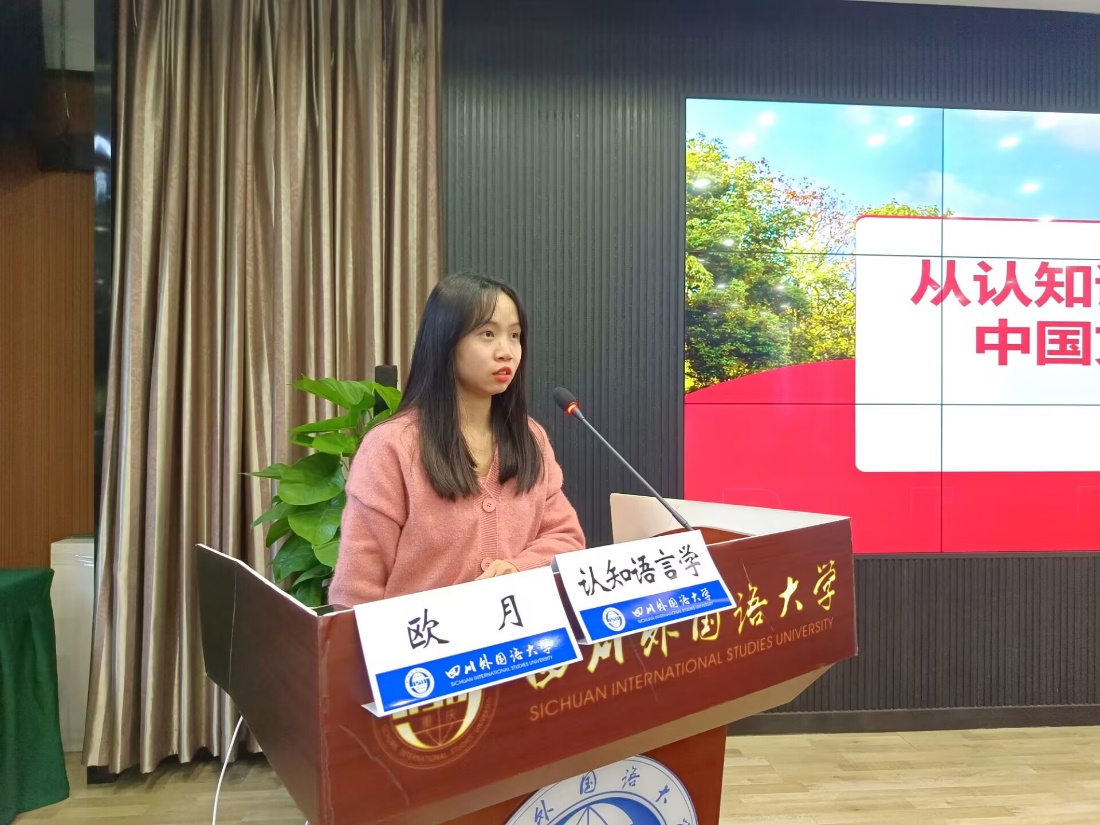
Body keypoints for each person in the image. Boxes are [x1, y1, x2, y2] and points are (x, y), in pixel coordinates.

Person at [328, 272, 586, 608]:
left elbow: (566, 538)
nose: (506, 352)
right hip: (420, 639)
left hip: (517, 635)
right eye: (488, 334)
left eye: (514, 335)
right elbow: (356, 591)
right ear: (446, 342)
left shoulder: (530, 437)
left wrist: (517, 569)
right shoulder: (391, 447)